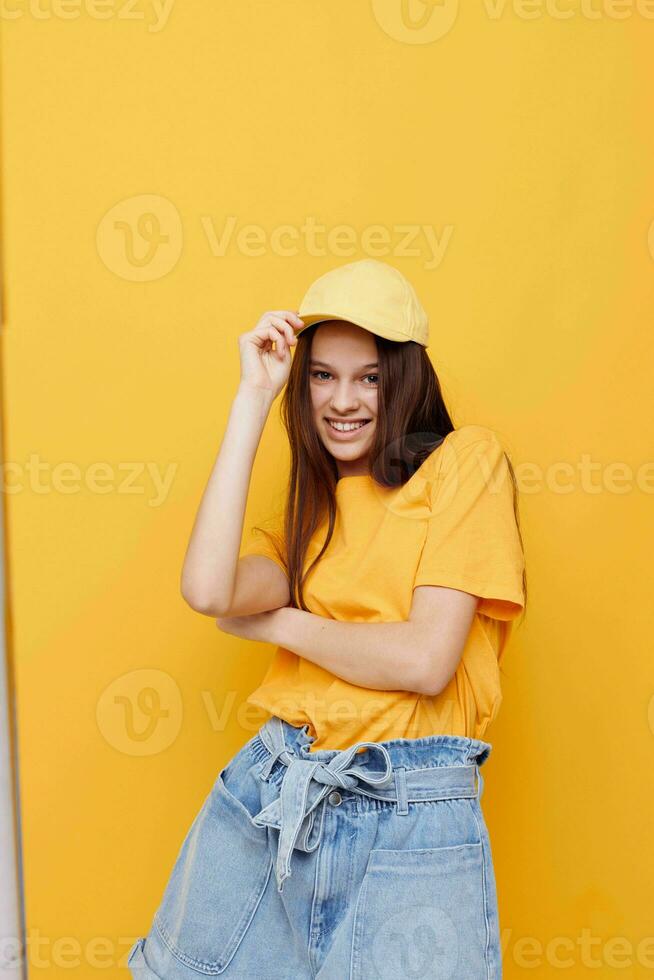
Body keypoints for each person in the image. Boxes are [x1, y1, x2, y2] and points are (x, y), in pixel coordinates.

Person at [127, 258, 527, 979]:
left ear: (404, 378)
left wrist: (279, 625)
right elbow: (208, 589)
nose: (343, 400)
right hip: (279, 789)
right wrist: (253, 396)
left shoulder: (467, 465)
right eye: (322, 375)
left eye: (369, 376)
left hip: (411, 807)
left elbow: (424, 661)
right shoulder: (306, 515)